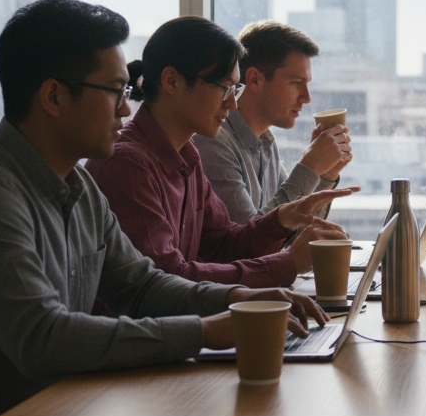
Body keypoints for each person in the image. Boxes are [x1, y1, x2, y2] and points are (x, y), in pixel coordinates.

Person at [0, 0, 328, 416]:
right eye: (114, 91)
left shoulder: (78, 185)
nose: (127, 108)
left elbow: (142, 285)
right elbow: (42, 339)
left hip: (45, 414)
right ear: (53, 96)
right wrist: (205, 330)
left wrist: (235, 300)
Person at [86, 16, 355, 289]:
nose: (232, 104)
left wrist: (281, 220)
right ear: (172, 81)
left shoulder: (187, 155)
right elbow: (164, 282)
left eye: (234, 89)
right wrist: (288, 263)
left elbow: (226, 242)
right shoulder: (128, 164)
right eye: (224, 88)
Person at [193, 21, 352, 226]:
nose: (306, 97)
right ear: (254, 79)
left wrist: (326, 174)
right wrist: (309, 167)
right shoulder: (214, 144)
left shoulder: (266, 143)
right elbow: (250, 243)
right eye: (296, 83)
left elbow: (294, 236)